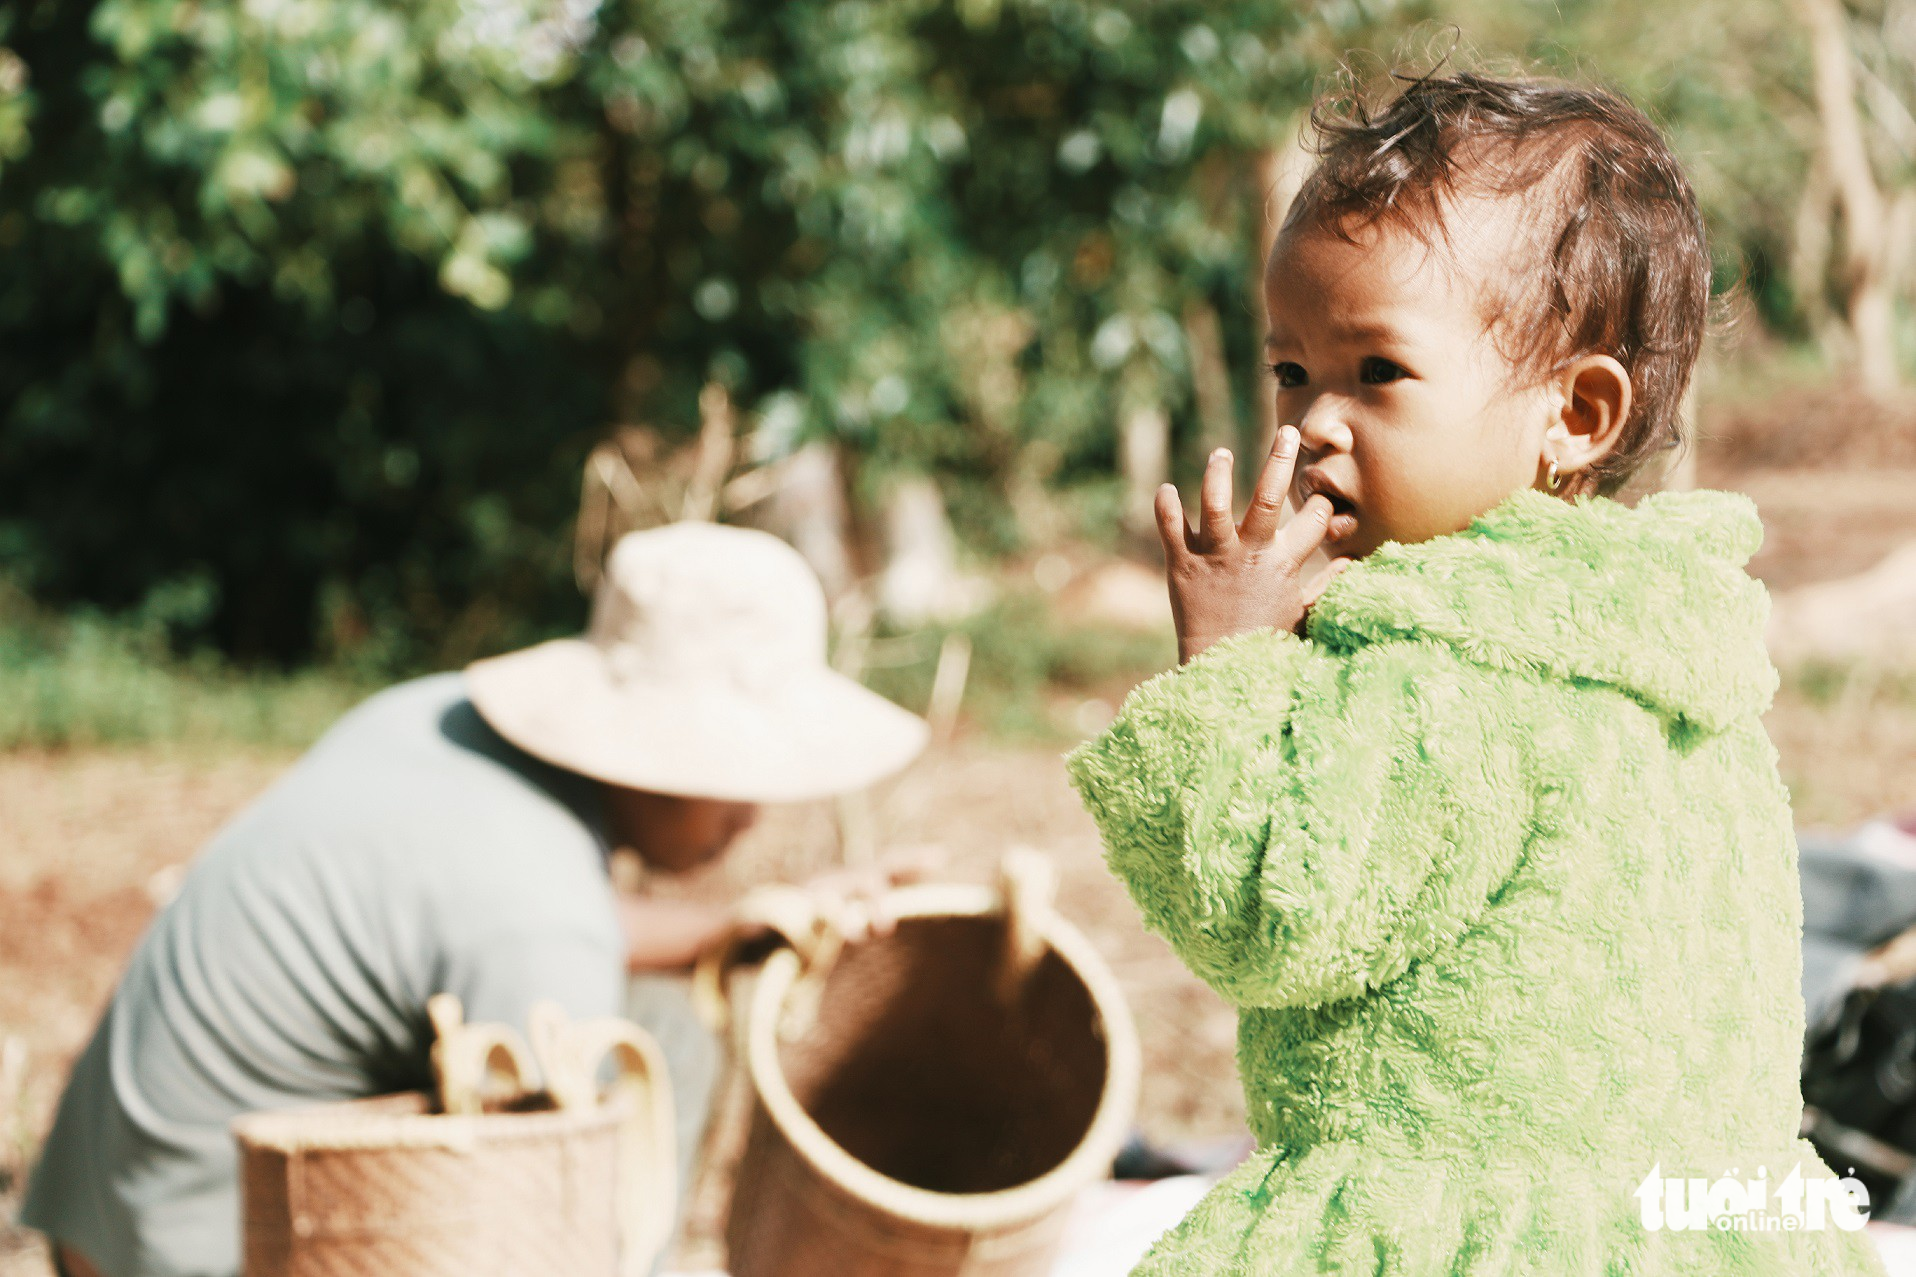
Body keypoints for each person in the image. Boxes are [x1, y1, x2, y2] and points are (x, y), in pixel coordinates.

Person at [1064, 70, 1891, 1273]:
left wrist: (1228, 671)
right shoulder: (1664, 653)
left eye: (1376, 372)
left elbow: (1269, 913)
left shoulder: (1448, 666)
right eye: (1291, 370)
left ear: (1575, 411)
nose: (1315, 422)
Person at [20, 521, 930, 1277]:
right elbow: (548, 1229)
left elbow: (494, 921)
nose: (752, 815)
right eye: (737, 778)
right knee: (657, 1054)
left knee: (666, 996)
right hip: (204, 1244)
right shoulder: (534, 911)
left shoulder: (438, 721)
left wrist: (741, 920)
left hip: (102, 1203)